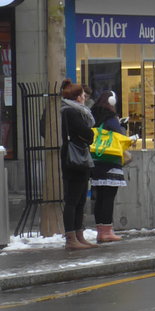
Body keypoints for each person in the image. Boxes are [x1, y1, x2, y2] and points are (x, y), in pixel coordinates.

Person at [89, 90, 131, 243]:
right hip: (111, 160)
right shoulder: (111, 118)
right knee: (108, 198)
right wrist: (122, 126)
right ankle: (107, 231)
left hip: (96, 160)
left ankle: (100, 231)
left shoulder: (94, 115)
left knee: (99, 198)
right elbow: (118, 136)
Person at [60, 81, 97, 250]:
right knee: (73, 199)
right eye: (82, 94)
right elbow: (87, 133)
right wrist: (89, 136)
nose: (84, 97)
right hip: (74, 159)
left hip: (80, 157)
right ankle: (71, 237)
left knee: (81, 199)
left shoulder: (77, 111)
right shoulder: (71, 112)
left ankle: (78, 234)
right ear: (76, 97)